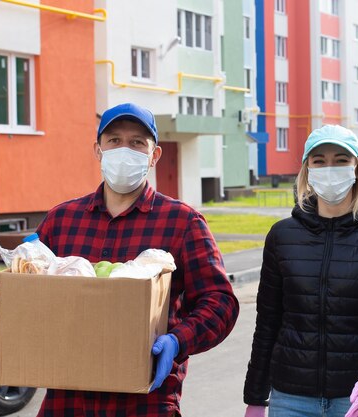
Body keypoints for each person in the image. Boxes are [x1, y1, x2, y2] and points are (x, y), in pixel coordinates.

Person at [35, 102, 240, 417]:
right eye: (114, 140)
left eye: (136, 142)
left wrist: (177, 341)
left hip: (145, 404)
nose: (124, 150)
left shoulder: (182, 222)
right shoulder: (61, 221)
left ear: (153, 155)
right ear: (98, 149)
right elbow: (23, 298)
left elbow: (220, 303)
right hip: (68, 402)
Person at [243, 124, 358, 417]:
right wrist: (256, 398)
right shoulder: (282, 236)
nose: (329, 168)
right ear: (307, 170)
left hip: (357, 398)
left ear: (357, 168)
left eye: (341, 160)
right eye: (319, 161)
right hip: (289, 399)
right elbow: (268, 323)